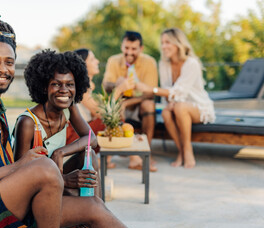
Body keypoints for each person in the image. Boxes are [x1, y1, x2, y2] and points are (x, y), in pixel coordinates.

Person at [0, 19, 139, 228]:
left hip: (3, 201)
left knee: (93, 206)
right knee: (44, 167)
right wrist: (21, 166)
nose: (3, 68)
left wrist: (38, 173)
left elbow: (14, 175)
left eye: (9, 62)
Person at [12, 49, 140, 228]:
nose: (64, 90)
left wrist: (61, 153)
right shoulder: (28, 123)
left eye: (70, 84)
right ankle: (94, 214)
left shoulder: (68, 108)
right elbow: (20, 180)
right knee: (94, 206)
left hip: (54, 183)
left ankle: (94, 221)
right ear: (43, 87)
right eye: (56, 84)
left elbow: (91, 139)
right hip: (34, 201)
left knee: (89, 155)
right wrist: (63, 180)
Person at [135, 27, 215, 168]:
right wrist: (170, 101)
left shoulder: (192, 63)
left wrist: (150, 89)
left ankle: (187, 150)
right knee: (166, 112)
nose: (164, 46)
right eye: (162, 42)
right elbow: (168, 91)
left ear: (178, 43)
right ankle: (182, 151)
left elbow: (179, 92)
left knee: (180, 107)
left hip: (198, 106)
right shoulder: (164, 63)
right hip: (177, 104)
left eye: (168, 42)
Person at [103, 30, 158, 172]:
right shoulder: (113, 61)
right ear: (122, 46)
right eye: (126, 48)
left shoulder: (149, 62)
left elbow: (150, 94)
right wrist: (117, 84)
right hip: (119, 100)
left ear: (141, 49)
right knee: (113, 108)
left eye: (134, 49)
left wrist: (126, 103)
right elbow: (106, 86)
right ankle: (126, 152)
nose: (129, 52)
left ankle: (146, 151)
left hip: (139, 102)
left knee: (149, 105)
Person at [65, 48, 116, 169]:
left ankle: (105, 159)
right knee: (109, 122)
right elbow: (102, 114)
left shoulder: (85, 86)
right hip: (73, 134)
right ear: (83, 65)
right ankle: (107, 160)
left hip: (80, 130)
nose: (97, 61)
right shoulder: (79, 86)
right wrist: (118, 91)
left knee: (114, 121)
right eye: (92, 59)